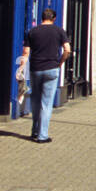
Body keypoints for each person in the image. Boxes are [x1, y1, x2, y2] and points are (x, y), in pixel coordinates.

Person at [20, 8, 70, 143]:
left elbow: (26, 52)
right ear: (54, 18)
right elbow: (67, 49)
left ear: (42, 18)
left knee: (36, 101)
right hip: (52, 69)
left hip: (35, 69)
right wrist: (60, 62)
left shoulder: (32, 31)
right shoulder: (59, 31)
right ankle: (42, 136)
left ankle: (34, 131)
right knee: (46, 103)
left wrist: (22, 69)